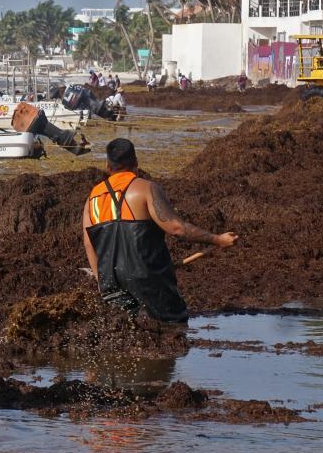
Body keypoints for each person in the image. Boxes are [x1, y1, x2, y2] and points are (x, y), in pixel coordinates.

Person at [82, 138, 239, 323]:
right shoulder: (146, 188)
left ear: (107, 165)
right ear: (136, 162)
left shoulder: (92, 198)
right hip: (149, 281)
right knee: (174, 331)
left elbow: (88, 243)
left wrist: (103, 283)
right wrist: (217, 239)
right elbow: (176, 228)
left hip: (110, 282)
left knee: (124, 336)